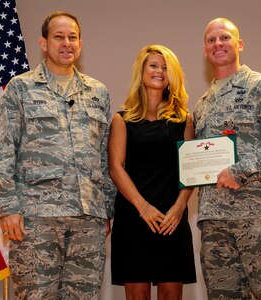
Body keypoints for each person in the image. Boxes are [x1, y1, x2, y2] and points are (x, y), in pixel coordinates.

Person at [0, 11, 115, 299]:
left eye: (72, 37)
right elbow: (1, 152)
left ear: (80, 44)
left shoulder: (98, 92)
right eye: (58, 37)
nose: (66, 43)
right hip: (36, 218)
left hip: (88, 218)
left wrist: (106, 209)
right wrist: (8, 208)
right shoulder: (21, 87)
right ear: (44, 43)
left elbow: (103, 158)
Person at [194, 18, 261, 300]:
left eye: (225, 38)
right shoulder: (202, 103)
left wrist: (240, 171)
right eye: (211, 40)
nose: (218, 44)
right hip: (215, 224)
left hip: (260, 220)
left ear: (239, 44)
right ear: (205, 50)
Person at [109, 44, 197, 299]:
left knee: (171, 293)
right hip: (134, 216)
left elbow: (190, 169)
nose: (159, 71)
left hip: (172, 217)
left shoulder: (184, 120)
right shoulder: (122, 119)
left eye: (166, 67)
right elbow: (115, 168)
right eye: (154, 65)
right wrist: (143, 207)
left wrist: (180, 208)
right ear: (142, 71)